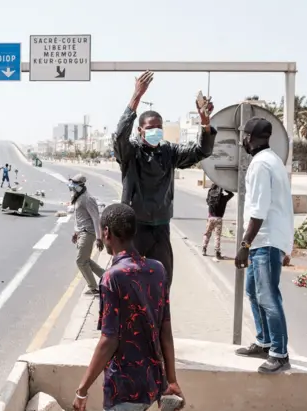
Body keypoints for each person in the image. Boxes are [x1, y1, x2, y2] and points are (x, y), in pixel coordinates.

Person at [73, 203, 183, 411]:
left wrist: (82, 390)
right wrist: (171, 380)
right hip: (152, 384)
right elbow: (166, 330)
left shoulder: (113, 277)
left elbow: (109, 340)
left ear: (106, 233)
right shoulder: (158, 270)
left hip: (123, 389)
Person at [113, 71, 216, 286]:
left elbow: (201, 151)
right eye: (150, 128)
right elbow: (120, 135)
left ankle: (160, 319)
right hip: (135, 228)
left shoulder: (169, 152)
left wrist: (205, 124)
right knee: (131, 283)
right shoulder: (131, 152)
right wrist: (136, 97)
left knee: (162, 282)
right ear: (140, 130)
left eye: (159, 128)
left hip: (161, 227)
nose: (156, 132)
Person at [234, 117, 293, 374]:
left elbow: (258, 210)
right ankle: (264, 341)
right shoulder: (274, 160)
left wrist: (244, 244)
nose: (242, 141)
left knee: (268, 297)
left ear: (250, 137)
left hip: (265, 240)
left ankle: (279, 353)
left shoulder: (260, 165)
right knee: (253, 292)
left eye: (243, 136)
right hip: (267, 239)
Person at [69, 174, 105, 294]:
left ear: (81, 185)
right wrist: (76, 232)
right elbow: (79, 218)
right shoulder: (77, 197)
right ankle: (106, 277)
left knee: (80, 261)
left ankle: (93, 287)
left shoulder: (88, 198)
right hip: (82, 232)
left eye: (74, 183)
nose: (72, 186)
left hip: (88, 233)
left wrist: (99, 238)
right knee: (86, 260)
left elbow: (95, 218)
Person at [202, 184, 234, 259]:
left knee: (207, 234)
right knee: (217, 236)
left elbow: (208, 196)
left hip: (210, 218)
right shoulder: (223, 198)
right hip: (218, 219)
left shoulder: (210, 198)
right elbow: (231, 194)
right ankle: (217, 252)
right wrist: (225, 188)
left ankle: (204, 249)